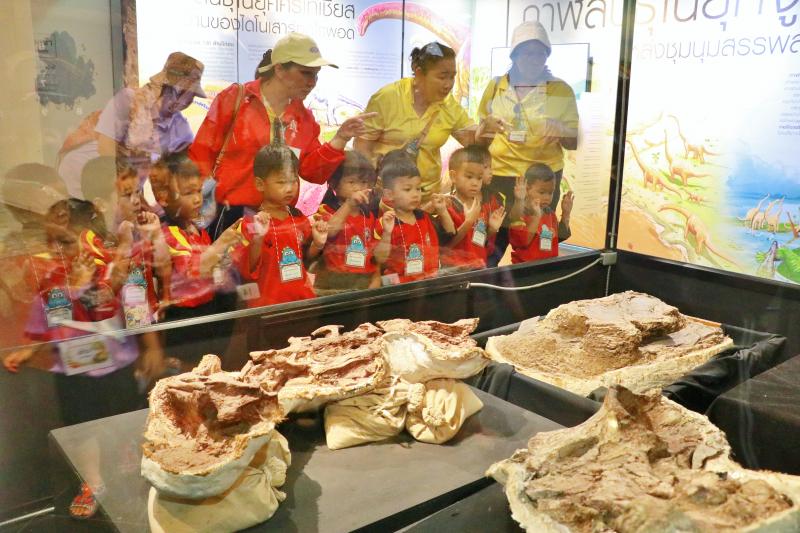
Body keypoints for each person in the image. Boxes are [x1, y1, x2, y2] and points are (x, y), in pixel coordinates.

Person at [189, 32, 370, 237]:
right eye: (305, 73)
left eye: (315, 75)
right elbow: (200, 155)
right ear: (279, 69)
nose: (312, 82)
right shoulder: (236, 98)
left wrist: (340, 138)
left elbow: (312, 172)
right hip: (231, 216)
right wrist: (194, 208)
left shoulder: (304, 119)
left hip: (279, 219)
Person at [479, 21, 579, 266]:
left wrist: (562, 130)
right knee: (493, 243)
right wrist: (486, 126)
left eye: (540, 53)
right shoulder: (496, 86)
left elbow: (573, 141)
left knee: (536, 244)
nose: (535, 59)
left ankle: (532, 285)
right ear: (514, 54)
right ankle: (486, 286)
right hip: (501, 176)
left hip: (541, 179)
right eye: (527, 52)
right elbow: (480, 134)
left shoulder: (559, 90)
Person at [355, 42, 504, 202]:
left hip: (427, 199)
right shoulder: (388, 97)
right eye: (442, 77)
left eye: (452, 77)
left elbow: (474, 143)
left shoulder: (449, 105)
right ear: (419, 73)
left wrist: (486, 129)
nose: (448, 84)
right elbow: (362, 145)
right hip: (388, 199)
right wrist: (368, 189)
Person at [57, 52, 205, 202]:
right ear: (173, 90)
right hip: (86, 172)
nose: (189, 101)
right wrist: (129, 197)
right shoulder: (127, 99)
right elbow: (105, 149)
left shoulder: (178, 125)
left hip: (122, 190)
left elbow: (186, 163)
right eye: (189, 94)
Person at [159, 153, 245, 368]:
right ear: (164, 198)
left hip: (208, 312)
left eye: (198, 191)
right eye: (188, 193)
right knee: (192, 372)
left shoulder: (196, 228)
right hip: (185, 322)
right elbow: (194, 270)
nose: (197, 199)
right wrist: (223, 242)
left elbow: (212, 266)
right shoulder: (169, 233)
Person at [235, 143, 329, 307]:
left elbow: (306, 257)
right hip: (268, 306)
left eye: (293, 181)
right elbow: (248, 268)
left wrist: (318, 244)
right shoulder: (251, 222)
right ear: (260, 184)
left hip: (301, 301)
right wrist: (258, 238)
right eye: (281, 182)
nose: (290, 188)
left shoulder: (298, 218)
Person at [373, 150, 455, 284]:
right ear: (389, 194)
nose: (415, 194)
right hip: (401, 288)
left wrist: (442, 211)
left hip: (429, 283)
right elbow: (379, 259)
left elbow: (450, 233)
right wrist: (387, 233)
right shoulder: (385, 222)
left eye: (418, 189)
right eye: (407, 189)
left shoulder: (424, 217)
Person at [315, 151, 381, 294]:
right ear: (334, 184)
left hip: (364, 282)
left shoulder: (369, 215)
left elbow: (374, 253)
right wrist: (349, 204)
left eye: (364, 182)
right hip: (333, 284)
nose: (358, 188)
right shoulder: (326, 210)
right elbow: (330, 231)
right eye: (351, 182)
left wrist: (376, 277)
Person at [441, 146, 507, 272]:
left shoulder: (479, 206)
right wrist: (469, 222)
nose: (475, 183)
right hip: (455, 272)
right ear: (453, 176)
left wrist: (492, 229)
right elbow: (446, 247)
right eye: (469, 176)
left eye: (479, 178)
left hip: (480, 267)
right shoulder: (447, 206)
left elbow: (478, 241)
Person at [508, 163, 574, 264]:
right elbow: (522, 242)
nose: (547, 198)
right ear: (527, 189)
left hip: (548, 266)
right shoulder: (520, 212)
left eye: (550, 193)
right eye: (542, 192)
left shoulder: (549, 213)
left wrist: (566, 213)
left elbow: (558, 238)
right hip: (526, 268)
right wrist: (536, 216)